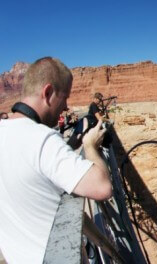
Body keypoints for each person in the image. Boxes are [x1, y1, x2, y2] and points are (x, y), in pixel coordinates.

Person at [0, 57, 112, 263]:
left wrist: (69, 146)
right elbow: (102, 188)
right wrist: (90, 146)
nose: (66, 106)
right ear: (48, 93)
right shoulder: (41, 138)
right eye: (65, 97)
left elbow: (32, 168)